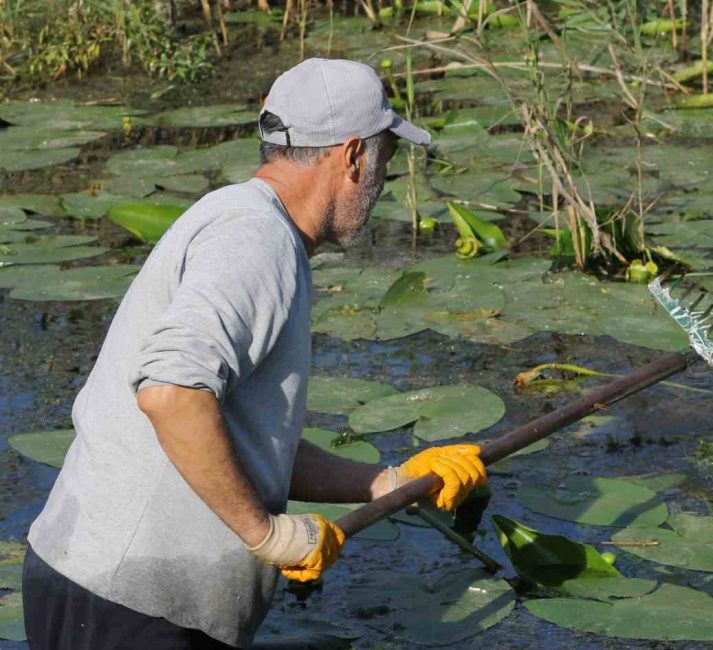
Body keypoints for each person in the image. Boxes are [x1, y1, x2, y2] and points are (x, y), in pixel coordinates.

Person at [21, 58, 488, 649]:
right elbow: (171, 395)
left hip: (104, 589)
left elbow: (244, 444)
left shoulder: (249, 222)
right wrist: (266, 535)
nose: (383, 182)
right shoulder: (256, 240)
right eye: (385, 162)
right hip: (129, 605)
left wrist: (391, 482)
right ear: (351, 157)